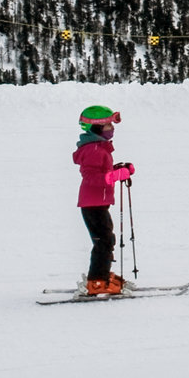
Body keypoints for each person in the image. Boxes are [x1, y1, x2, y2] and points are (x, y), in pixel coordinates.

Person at [74, 105, 136, 295]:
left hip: (98, 203)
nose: (112, 128)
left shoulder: (98, 147)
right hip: (92, 204)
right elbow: (91, 177)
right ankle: (96, 282)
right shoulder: (93, 149)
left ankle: (101, 275)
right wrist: (116, 175)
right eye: (108, 125)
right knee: (103, 242)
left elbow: (101, 172)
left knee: (106, 240)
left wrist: (118, 169)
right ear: (97, 128)